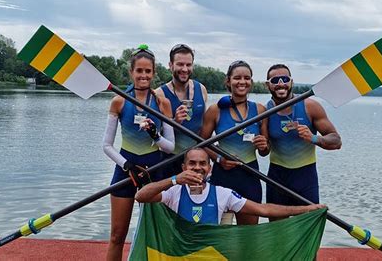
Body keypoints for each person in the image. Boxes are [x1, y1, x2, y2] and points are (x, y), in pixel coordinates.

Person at [102, 45, 175, 261]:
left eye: (148, 71)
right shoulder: (119, 101)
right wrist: (127, 165)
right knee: (117, 236)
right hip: (126, 171)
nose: (143, 76)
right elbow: (106, 145)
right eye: (139, 71)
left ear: (154, 73)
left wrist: (155, 135)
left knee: (159, 236)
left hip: (154, 171)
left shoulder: (163, 103)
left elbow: (170, 147)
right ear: (131, 73)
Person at [135, 148, 326, 225]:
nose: (197, 168)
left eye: (203, 164)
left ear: (210, 169)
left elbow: (263, 209)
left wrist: (307, 209)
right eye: (192, 164)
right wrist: (174, 179)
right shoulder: (173, 191)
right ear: (184, 167)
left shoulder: (223, 194)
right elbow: (141, 196)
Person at [264, 64, 341, 221]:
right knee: (276, 228)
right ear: (268, 85)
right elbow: (264, 151)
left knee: (309, 225)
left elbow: (336, 140)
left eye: (284, 79)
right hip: (277, 177)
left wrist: (314, 138)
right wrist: (261, 145)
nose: (280, 84)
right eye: (275, 80)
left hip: (305, 177)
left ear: (291, 82)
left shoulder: (310, 107)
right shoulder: (264, 112)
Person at [199, 60, 270, 225]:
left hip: (250, 176)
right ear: (228, 81)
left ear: (251, 82)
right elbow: (201, 142)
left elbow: (265, 151)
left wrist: (264, 146)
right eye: (237, 77)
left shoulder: (260, 110)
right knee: (220, 235)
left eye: (247, 78)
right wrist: (218, 159)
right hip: (222, 176)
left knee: (248, 235)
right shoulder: (215, 110)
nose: (242, 82)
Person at [155, 44, 208, 176]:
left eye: (188, 65)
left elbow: (204, 127)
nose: (185, 69)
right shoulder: (159, 94)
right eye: (180, 64)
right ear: (170, 65)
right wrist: (174, 122)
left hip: (195, 161)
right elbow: (152, 135)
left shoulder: (201, 89)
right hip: (168, 160)